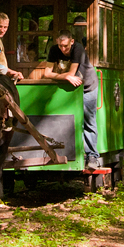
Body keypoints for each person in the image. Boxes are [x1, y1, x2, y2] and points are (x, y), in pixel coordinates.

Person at [43, 29, 101, 170]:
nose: (63, 49)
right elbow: (47, 73)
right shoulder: (54, 50)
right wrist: (64, 77)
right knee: (65, 121)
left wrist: (62, 75)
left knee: (88, 121)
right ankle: (68, 153)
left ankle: (92, 156)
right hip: (69, 88)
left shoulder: (78, 49)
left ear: (72, 42)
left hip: (87, 87)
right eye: (60, 46)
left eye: (66, 46)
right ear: (57, 42)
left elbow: (71, 73)